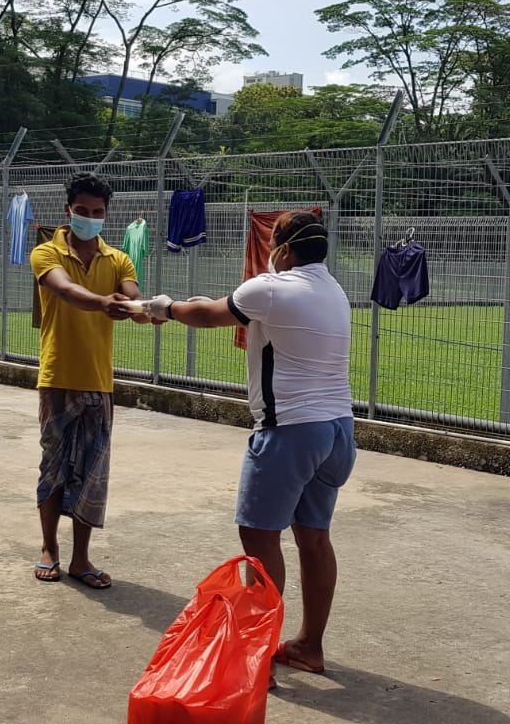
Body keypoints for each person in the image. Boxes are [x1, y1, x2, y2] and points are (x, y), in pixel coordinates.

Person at [142, 210, 355, 676]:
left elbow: (207, 313)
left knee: (259, 542)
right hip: (338, 429)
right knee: (314, 539)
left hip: (289, 431)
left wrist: (163, 308)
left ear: (282, 247)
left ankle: (256, 659)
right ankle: (308, 647)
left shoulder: (271, 287)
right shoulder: (334, 290)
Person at [28, 172, 150, 589]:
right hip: (58, 377)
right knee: (54, 467)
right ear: (68, 210)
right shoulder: (46, 253)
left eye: (98, 213)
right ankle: (49, 549)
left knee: (93, 473)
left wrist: (143, 307)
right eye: (82, 211)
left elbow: (131, 292)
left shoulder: (118, 260)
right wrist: (103, 302)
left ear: (106, 215)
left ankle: (81, 558)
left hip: (99, 382)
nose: (90, 218)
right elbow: (63, 291)